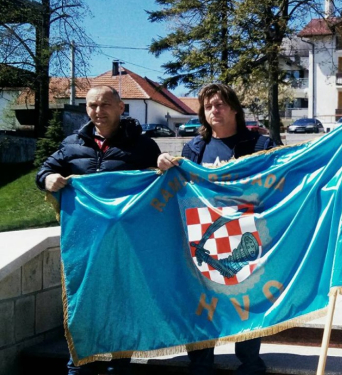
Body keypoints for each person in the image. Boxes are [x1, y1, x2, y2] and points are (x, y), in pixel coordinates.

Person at [36, 85, 161, 375]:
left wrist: (163, 165)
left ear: (120, 108)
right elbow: (43, 172)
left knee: (121, 310)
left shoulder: (142, 145)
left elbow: (160, 179)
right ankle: (77, 366)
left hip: (126, 247)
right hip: (84, 247)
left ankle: (119, 367)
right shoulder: (71, 144)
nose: (98, 111)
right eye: (92, 105)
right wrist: (49, 178)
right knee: (81, 310)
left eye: (105, 104)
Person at [157, 83, 274, 375]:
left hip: (245, 235)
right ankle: (201, 362)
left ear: (234, 108)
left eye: (220, 104)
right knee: (200, 302)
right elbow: (180, 188)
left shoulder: (260, 146)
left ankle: (250, 362)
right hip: (203, 236)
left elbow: (278, 185)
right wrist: (163, 165)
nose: (214, 111)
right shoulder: (194, 148)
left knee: (245, 299)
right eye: (208, 107)